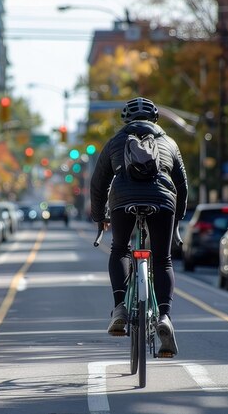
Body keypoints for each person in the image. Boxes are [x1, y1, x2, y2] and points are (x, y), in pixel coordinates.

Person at [90, 96, 188, 357]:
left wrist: (99, 216)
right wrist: (177, 218)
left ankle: (120, 307)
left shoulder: (115, 142)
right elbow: (182, 186)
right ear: (155, 119)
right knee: (163, 259)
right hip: (163, 201)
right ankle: (165, 317)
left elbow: (98, 184)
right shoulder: (169, 142)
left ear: (126, 119)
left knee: (120, 249)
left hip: (123, 200)